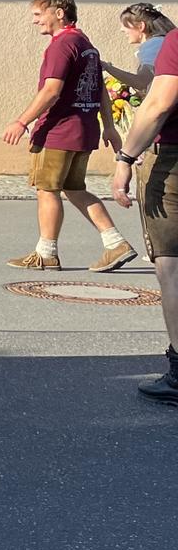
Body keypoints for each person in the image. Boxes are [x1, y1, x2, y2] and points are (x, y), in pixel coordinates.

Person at [3, 0, 129, 272]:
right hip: (84, 130)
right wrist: (108, 126)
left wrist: (22, 121)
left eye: (38, 14)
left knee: (47, 190)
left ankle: (46, 253)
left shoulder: (61, 45)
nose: (34, 21)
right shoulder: (87, 45)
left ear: (59, 13)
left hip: (58, 131)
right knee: (74, 189)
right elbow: (101, 91)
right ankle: (115, 243)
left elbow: (51, 90)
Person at [107, 29, 178, 405]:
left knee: (172, 265)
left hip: (175, 162)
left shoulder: (176, 43)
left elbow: (159, 103)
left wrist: (125, 159)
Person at [101, 3, 174, 94]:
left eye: (125, 25)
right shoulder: (161, 42)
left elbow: (141, 82)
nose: (122, 29)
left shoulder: (153, 45)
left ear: (141, 26)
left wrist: (107, 67)